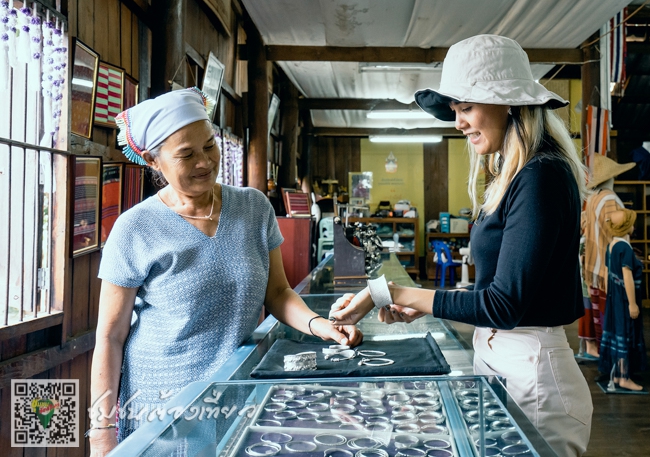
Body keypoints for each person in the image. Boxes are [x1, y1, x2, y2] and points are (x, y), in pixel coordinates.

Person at [329, 34, 593, 456]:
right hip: (499, 359)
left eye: (466, 107)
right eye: (455, 110)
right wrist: (426, 302)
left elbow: (505, 304)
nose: (458, 122)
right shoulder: (515, 172)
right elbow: (496, 291)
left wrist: (393, 292)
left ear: (508, 101)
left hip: (533, 379)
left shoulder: (541, 175)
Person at [88, 88, 362, 456]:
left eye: (209, 147)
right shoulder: (135, 228)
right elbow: (110, 336)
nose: (203, 162)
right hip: (165, 408)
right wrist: (102, 430)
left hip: (240, 392)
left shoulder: (253, 208)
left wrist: (319, 325)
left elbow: (277, 293)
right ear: (154, 162)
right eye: (186, 154)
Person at [580, 154, 635, 358]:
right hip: (610, 266)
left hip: (594, 266)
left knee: (600, 315)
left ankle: (607, 355)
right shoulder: (610, 199)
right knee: (615, 315)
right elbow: (619, 229)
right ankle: (616, 361)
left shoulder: (593, 199)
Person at [598, 209, 646, 390]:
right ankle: (624, 377)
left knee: (618, 333)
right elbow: (627, 277)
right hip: (624, 300)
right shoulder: (625, 248)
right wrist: (632, 303)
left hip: (614, 298)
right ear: (626, 227)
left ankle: (618, 374)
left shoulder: (611, 246)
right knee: (625, 334)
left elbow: (608, 274)